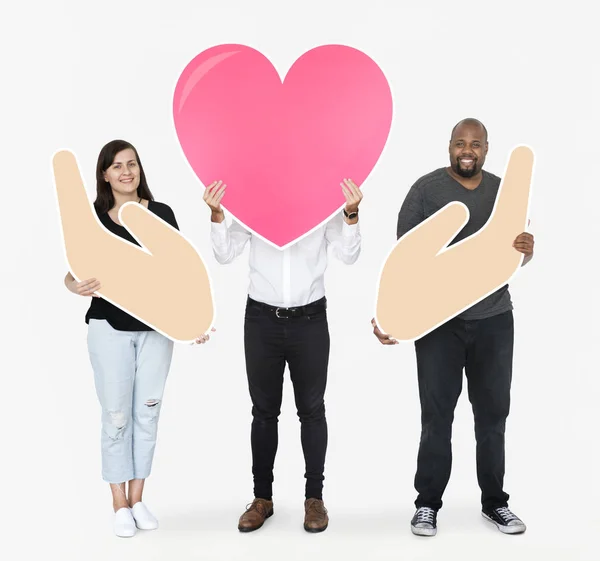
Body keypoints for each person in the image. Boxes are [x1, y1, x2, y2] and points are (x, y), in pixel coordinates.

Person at [373, 119, 535, 536]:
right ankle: (427, 504)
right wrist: (391, 313)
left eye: (476, 144)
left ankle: (495, 503)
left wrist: (526, 251)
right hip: (437, 323)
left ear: (486, 148)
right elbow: (403, 261)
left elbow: (512, 255)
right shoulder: (426, 190)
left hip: (495, 319)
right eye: (461, 143)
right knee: (436, 417)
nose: (468, 150)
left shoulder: (505, 191)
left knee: (493, 416)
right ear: (449, 147)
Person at [64, 140, 211, 537]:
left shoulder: (161, 215)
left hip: (156, 331)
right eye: (117, 166)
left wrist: (192, 320)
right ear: (105, 175)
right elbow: (73, 270)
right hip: (108, 329)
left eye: (132, 164)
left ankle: (139, 497)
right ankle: (118, 502)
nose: (126, 172)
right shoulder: (94, 217)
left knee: (147, 413)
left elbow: (180, 274)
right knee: (116, 415)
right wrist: (73, 285)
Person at [203, 178, 363, 533]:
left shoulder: (323, 201)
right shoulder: (254, 201)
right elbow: (225, 253)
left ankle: (314, 499)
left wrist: (351, 213)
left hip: (309, 320)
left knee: (312, 410)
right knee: (263, 411)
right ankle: (262, 498)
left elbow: (350, 255)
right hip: (262, 320)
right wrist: (217, 214)